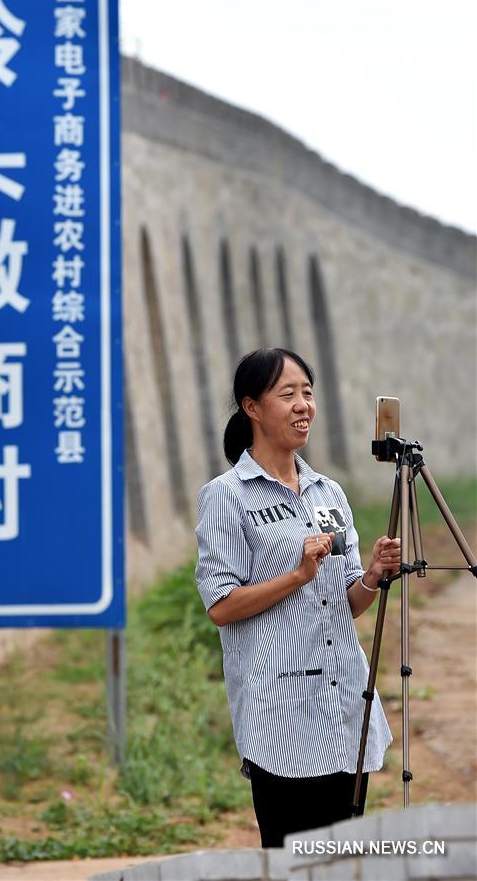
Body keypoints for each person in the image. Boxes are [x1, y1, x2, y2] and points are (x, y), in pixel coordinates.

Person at [195, 348, 400, 848]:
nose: (303, 404)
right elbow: (220, 606)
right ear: (252, 407)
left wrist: (371, 574)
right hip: (280, 711)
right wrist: (298, 574)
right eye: (288, 394)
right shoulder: (229, 495)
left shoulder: (328, 492)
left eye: (308, 393)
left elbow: (349, 600)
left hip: (343, 703)